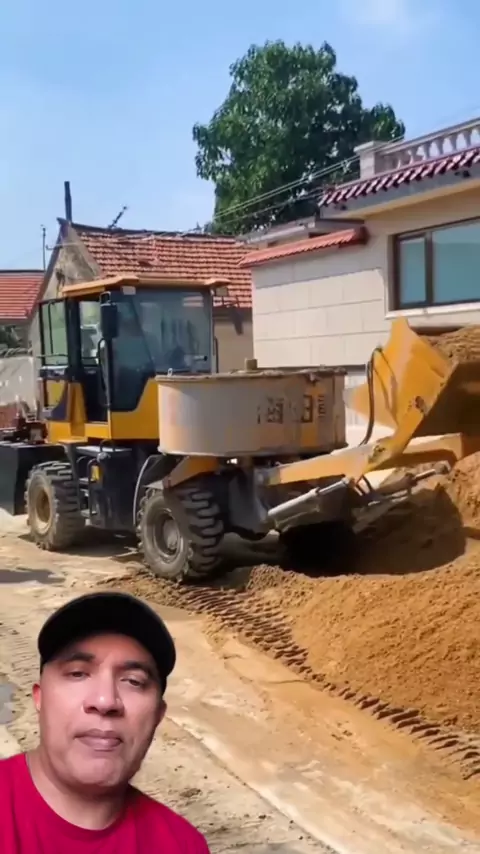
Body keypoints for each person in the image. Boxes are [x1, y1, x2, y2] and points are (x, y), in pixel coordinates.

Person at [0, 591, 211, 852]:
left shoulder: (182, 846)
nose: (105, 701)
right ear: (40, 698)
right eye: (78, 673)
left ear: (158, 714)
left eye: (133, 681)